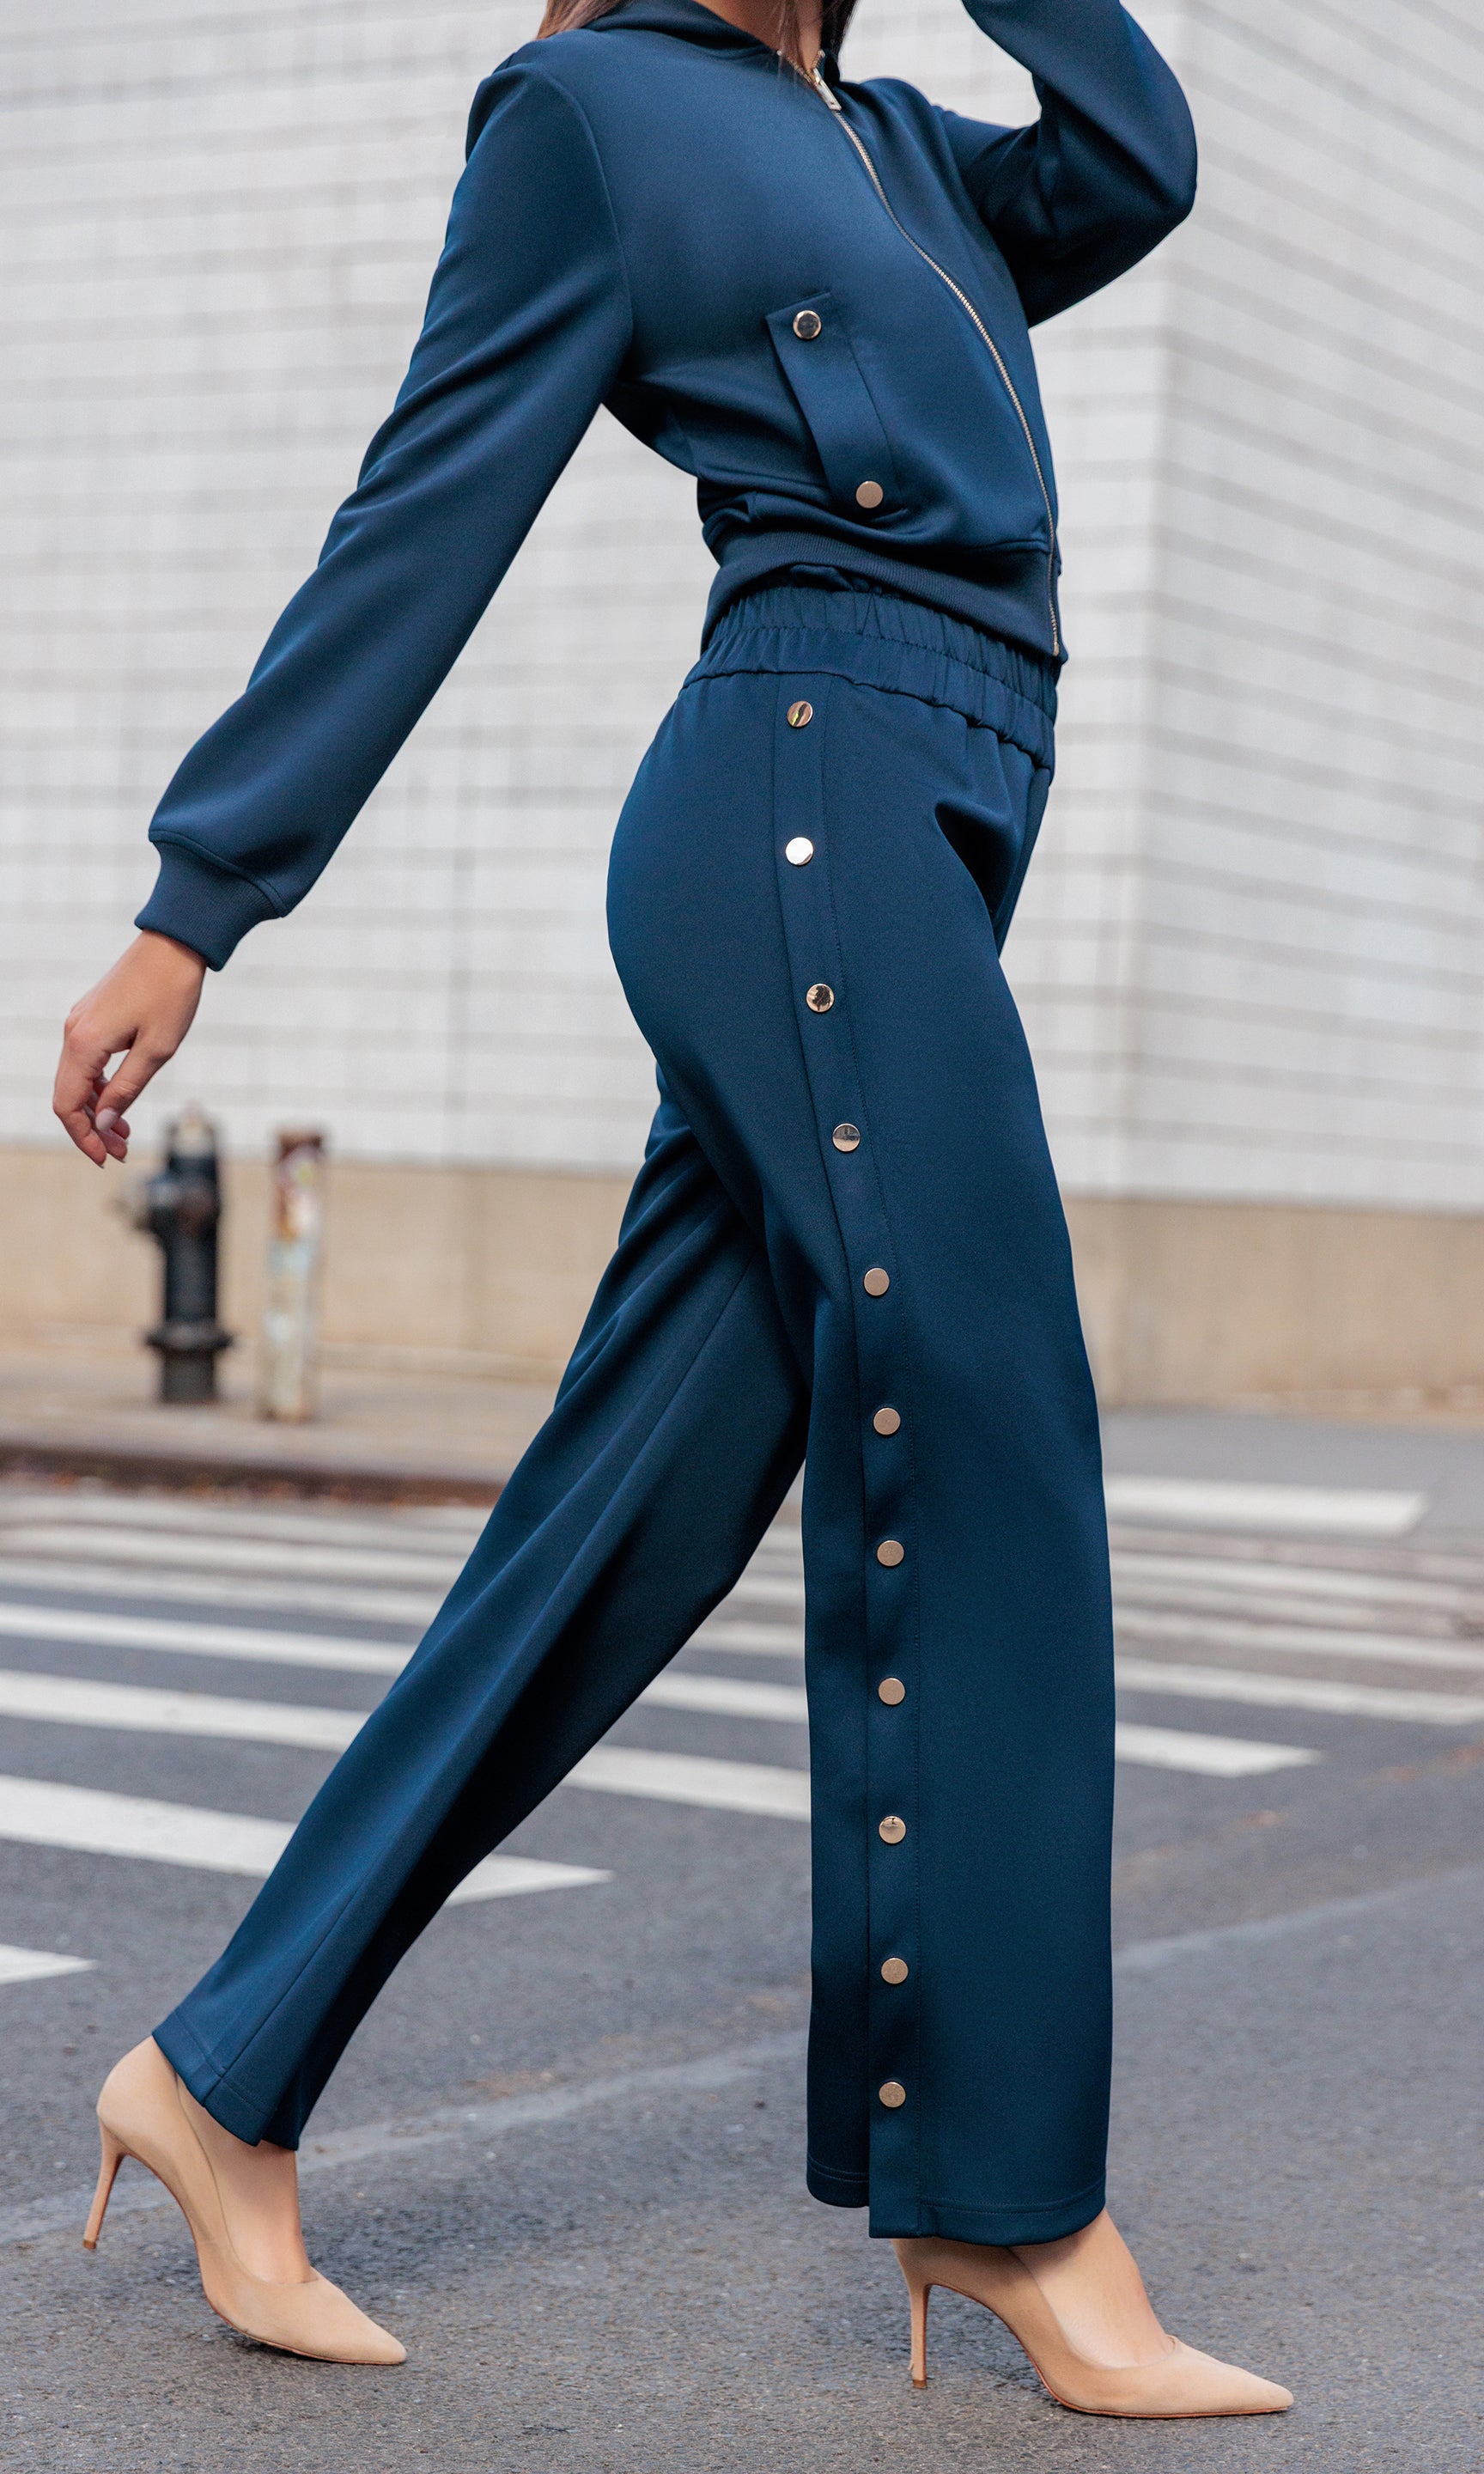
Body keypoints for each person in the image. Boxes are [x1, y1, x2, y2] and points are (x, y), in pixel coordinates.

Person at [52, 0, 1292, 2416]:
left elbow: (1136, 155)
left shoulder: (910, 152)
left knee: (617, 1530)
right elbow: (426, 505)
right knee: (1002, 1432)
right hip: (798, 804)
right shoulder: (591, 117)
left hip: (917, 837)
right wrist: (197, 902)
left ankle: (217, 2081)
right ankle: (1012, 2209)